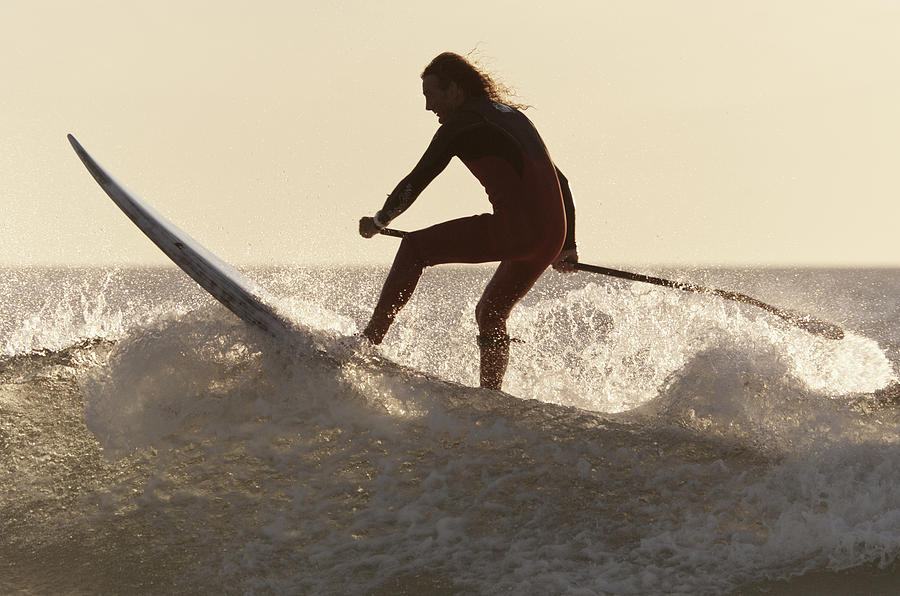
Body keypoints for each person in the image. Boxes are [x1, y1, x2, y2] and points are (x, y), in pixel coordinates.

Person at [358, 52, 578, 390]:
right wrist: (567, 246)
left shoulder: (463, 124)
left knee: (415, 248)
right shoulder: (511, 117)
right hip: (550, 235)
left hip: (519, 230)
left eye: (432, 95)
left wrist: (379, 221)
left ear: (455, 90)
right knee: (490, 313)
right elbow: (560, 182)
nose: (430, 107)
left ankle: (366, 345)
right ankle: (492, 397)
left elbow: (416, 181)